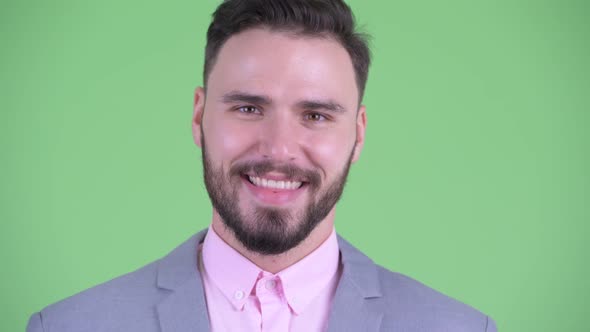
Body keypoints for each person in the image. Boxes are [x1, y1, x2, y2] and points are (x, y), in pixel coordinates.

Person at [27, 0, 497, 331]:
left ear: (358, 133)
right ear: (198, 116)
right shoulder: (67, 326)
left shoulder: (459, 328)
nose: (279, 149)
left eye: (315, 115)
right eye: (249, 108)